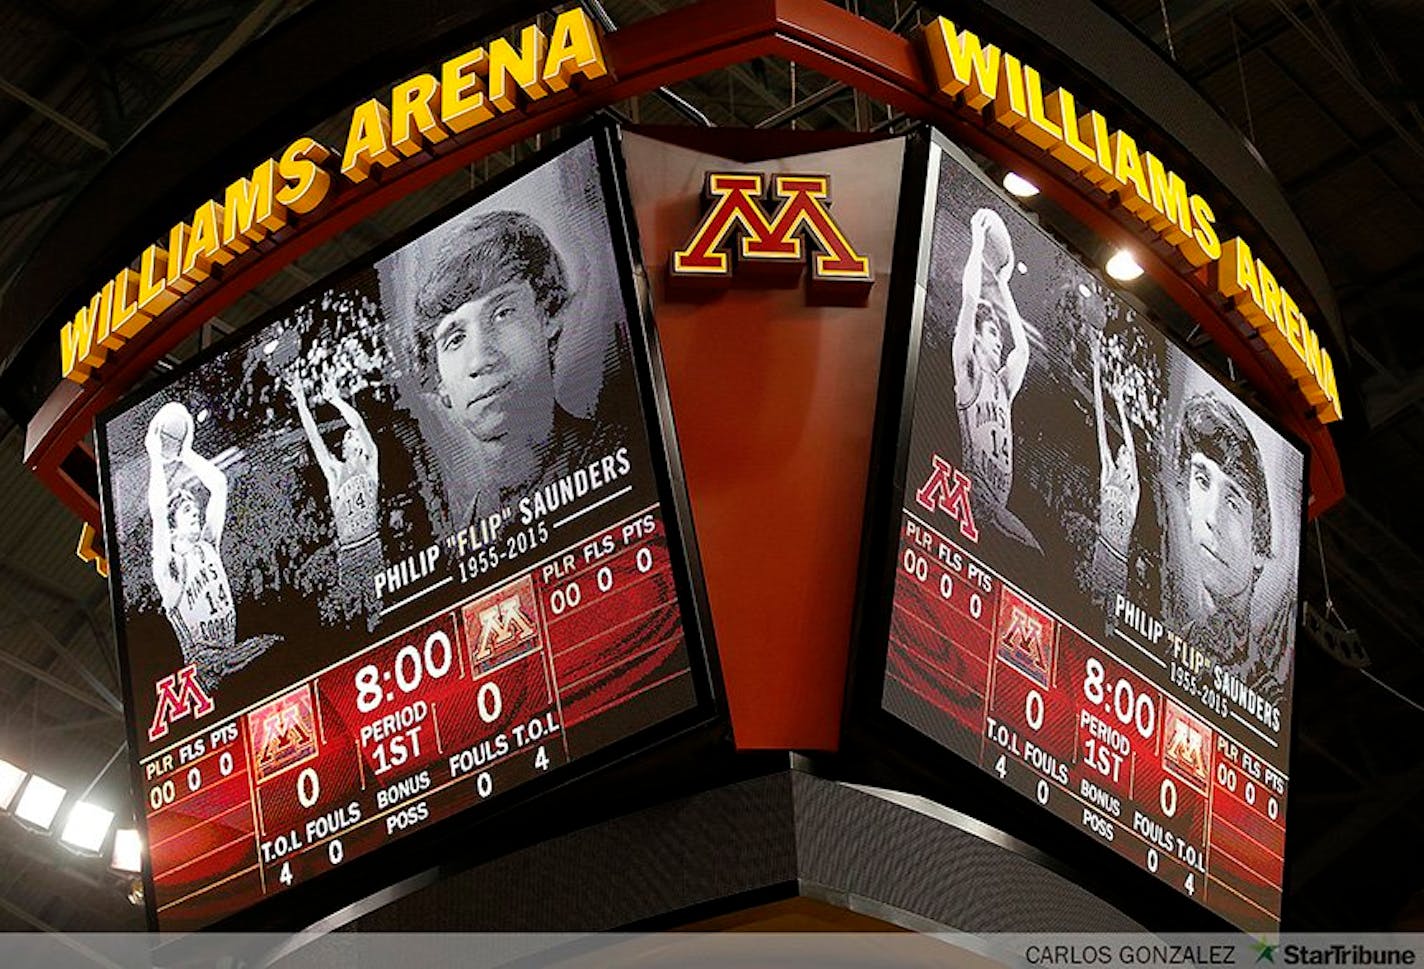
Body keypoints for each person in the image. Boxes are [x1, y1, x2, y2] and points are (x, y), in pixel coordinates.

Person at [406, 210, 609, 529]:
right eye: (455, 338)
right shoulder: (465, 540)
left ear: (549, 315)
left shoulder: (621, 459)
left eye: (502, 314)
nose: (480, 359)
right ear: (439, 382)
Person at [1174, 392, 1286, 699]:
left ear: (1259, 550)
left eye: (1233, 502)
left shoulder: (1270, 699)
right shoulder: (1164, 649)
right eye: (1202, 481)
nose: (1212, 517)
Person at [952, 207, 1040, 552]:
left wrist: (1004, 285)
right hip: (972, 501)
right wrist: (976, 243)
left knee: (1037, 557)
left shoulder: (1003, 386)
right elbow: (970, 300)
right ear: (976, 338)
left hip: (998, 510)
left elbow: (1023, 351)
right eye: (992, 332)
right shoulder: (969, 370)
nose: (998, 339)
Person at [146, 404, 236, 692]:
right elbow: (158, 511)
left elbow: (219, 484)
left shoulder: (208, 546)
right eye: (186, 510)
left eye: (195, 507)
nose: (195, 511)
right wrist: (155, 459)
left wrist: (186, 453)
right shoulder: (169, 570)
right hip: (204, 668)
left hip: (232, 655)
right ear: (172, 528)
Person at [287, 373, 381, 625]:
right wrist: (300, 401)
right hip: (349, 551)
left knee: (379, 609)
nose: (354, 435)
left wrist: (335, 400)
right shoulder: (335, 472)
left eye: (355, 435)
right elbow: (315, 438)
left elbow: (359, 424)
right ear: (344, 446)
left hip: (371, 544)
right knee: (353, 616)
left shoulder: (371, 462)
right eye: (349, 436)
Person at [1090, 329, 1140, 609]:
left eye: (1125, 451)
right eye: (1120, 450)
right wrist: (1096, 369)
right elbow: (1099, 420)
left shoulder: (1134, 493)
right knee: (1094, 608)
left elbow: (1131, 447)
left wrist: (1121, 408)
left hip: (1120, 562)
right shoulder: (1108, 471)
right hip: (1102, 551)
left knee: (1113, 618)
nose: (1122, 451)